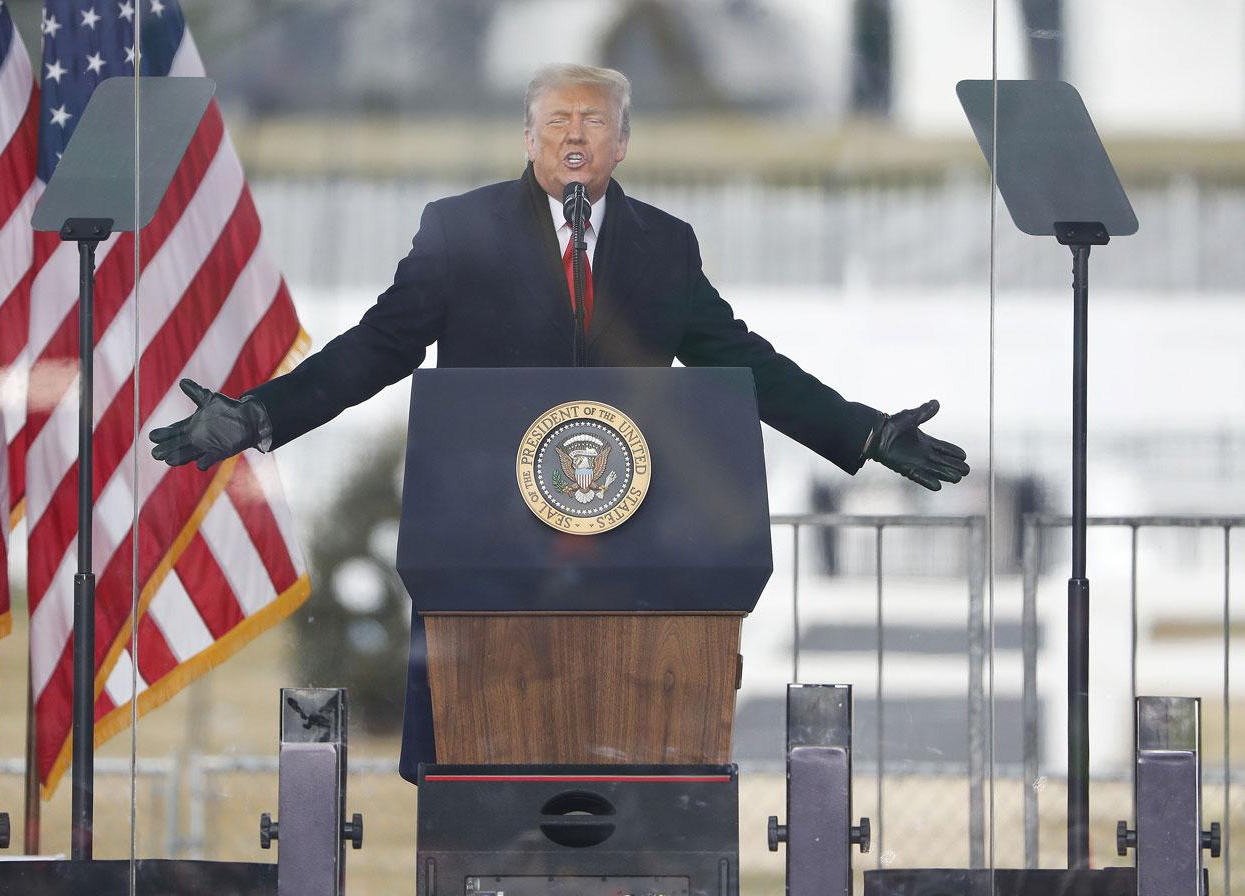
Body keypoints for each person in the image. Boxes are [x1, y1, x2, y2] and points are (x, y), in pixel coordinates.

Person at [150, 64, 970, 780]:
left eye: (593, 122)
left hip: (632, 554)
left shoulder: (665, 245)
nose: (574, 135)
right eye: (557, 121)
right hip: (485, 545)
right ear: (529, 136)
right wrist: (262, 412)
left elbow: (743, 360)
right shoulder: (459, 230)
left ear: (623, 143)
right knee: (480, 773)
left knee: (624, 771)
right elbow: (377, 347)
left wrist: (861, 433)